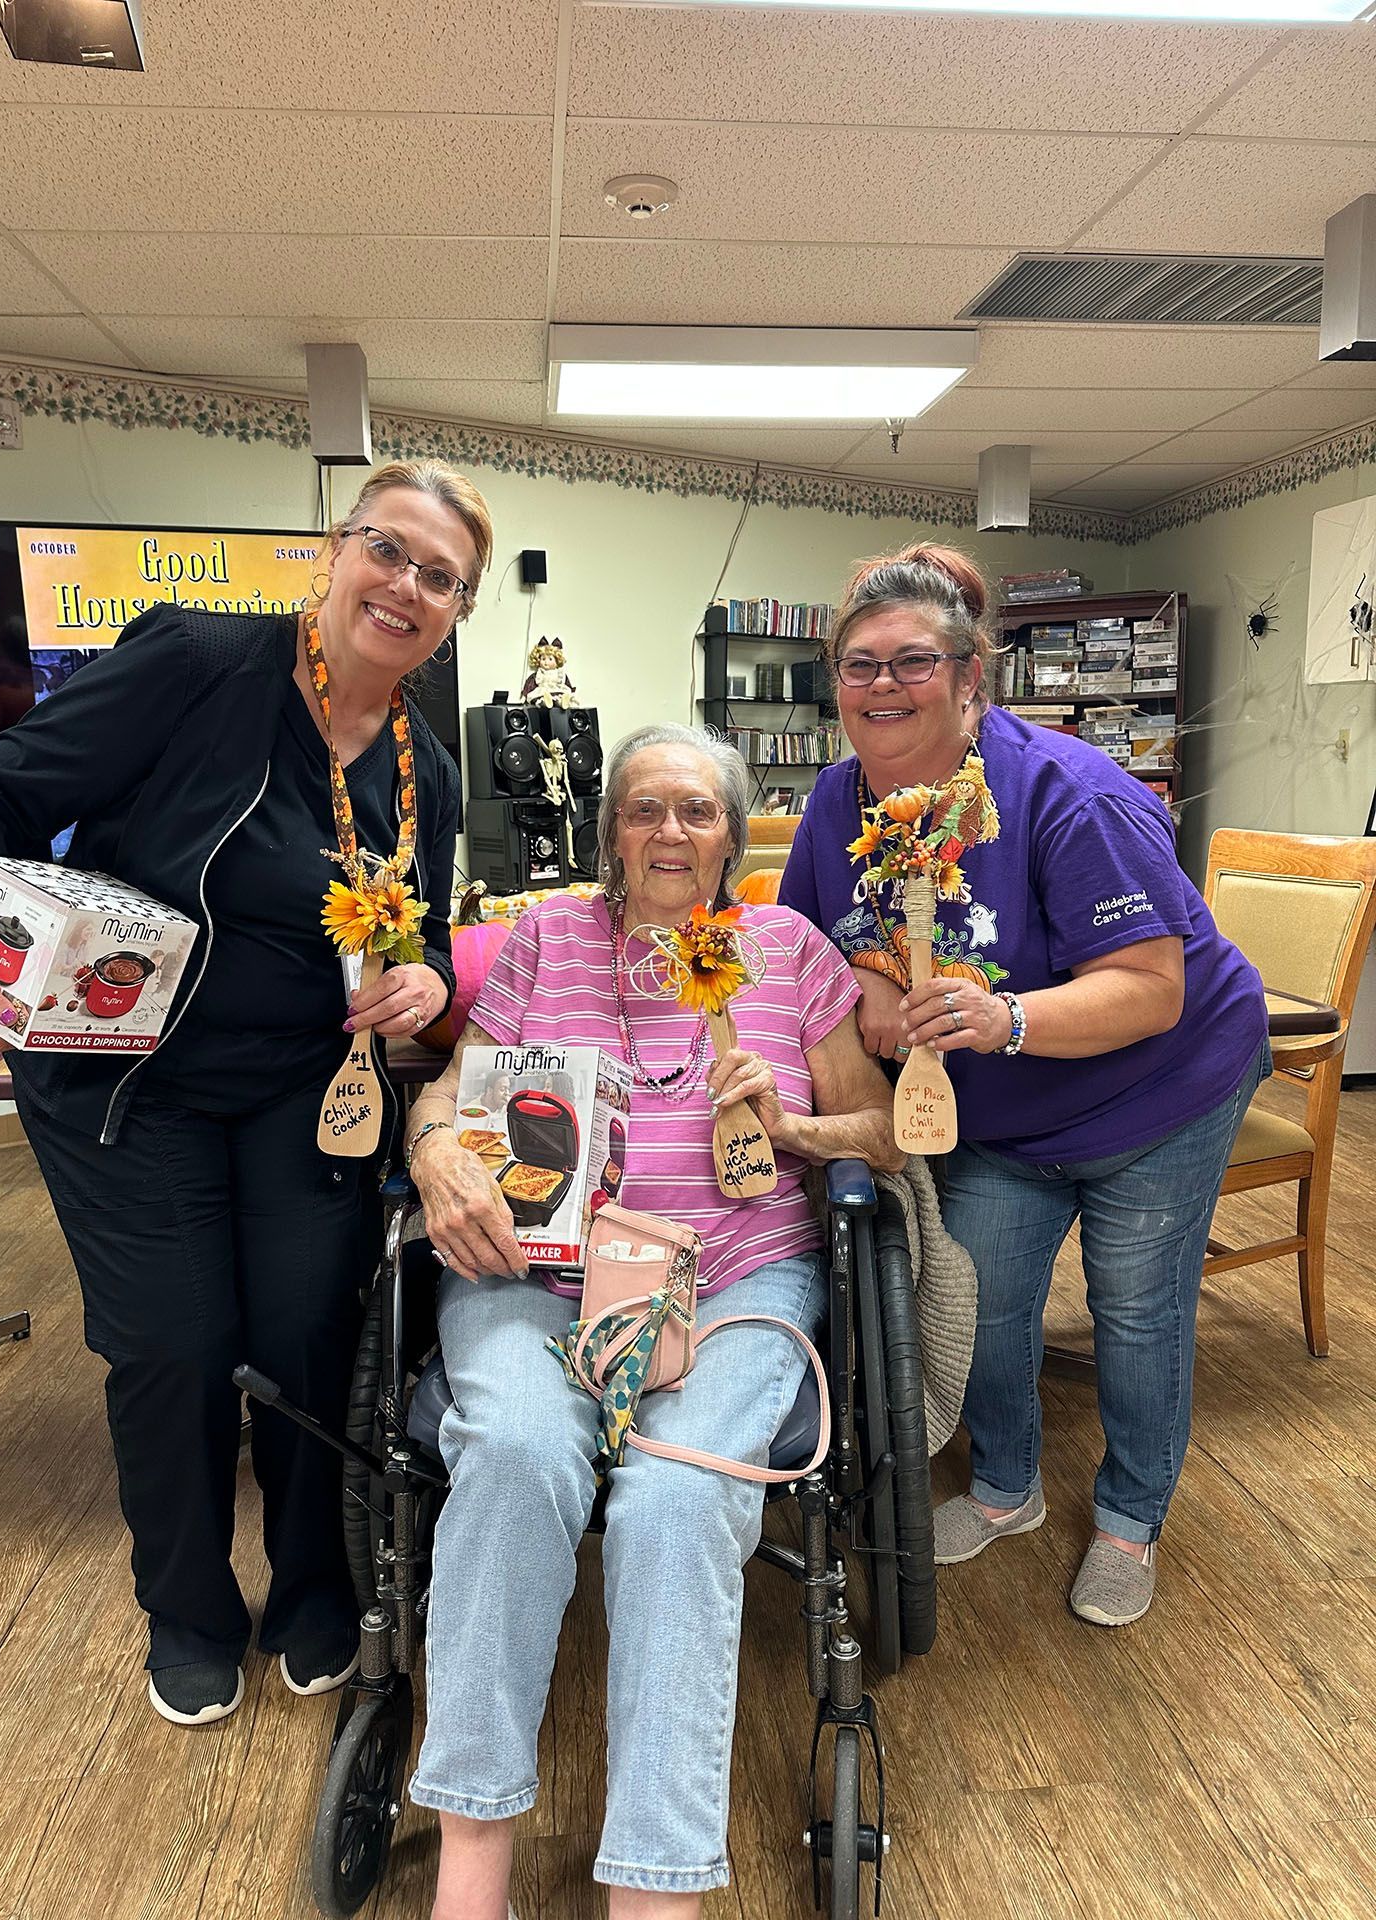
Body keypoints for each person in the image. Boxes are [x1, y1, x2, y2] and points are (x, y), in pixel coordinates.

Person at [0, 459, 492, 1722]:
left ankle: (309, 1591)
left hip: (305, 1088)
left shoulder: (426, 773)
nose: (405, 586)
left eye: (440, 577)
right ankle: (185, 1611)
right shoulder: (200, 663)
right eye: (387, 550)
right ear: (334, 552)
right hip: (124, 1081)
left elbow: (415, 933)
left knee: (306, 1339)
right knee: (176, 1346)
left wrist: (416, 980)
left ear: (459, 611)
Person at [404, 722, 902, 1920]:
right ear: (608, 831)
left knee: (678, 1498)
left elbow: (886, 1129)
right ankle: (472, 1873)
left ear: (733, 836)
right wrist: (433, 1150)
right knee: (516, 1457)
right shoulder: (543, 940)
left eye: (695, 811)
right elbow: (453, 1086)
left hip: (736, 1275)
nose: (669, 832)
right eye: (642, 809)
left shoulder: (786, 948)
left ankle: (658, 1890)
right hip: (543, 1272)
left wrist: (798, 1128)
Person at [779, 545, 1269, 1629]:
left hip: (1158, 1093)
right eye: (860, 666)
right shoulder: (834, 803)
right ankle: (1008, 1490)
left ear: (970, 679)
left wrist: (1008, 1019)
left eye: (915, 661)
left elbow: (1151, 988)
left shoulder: (1068, 795)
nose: (883, 686)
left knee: (1134, 1310)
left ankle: (1131, 1519)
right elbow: (819, 946)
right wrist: (873, 987)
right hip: (997, 1116)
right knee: (986, 1300)